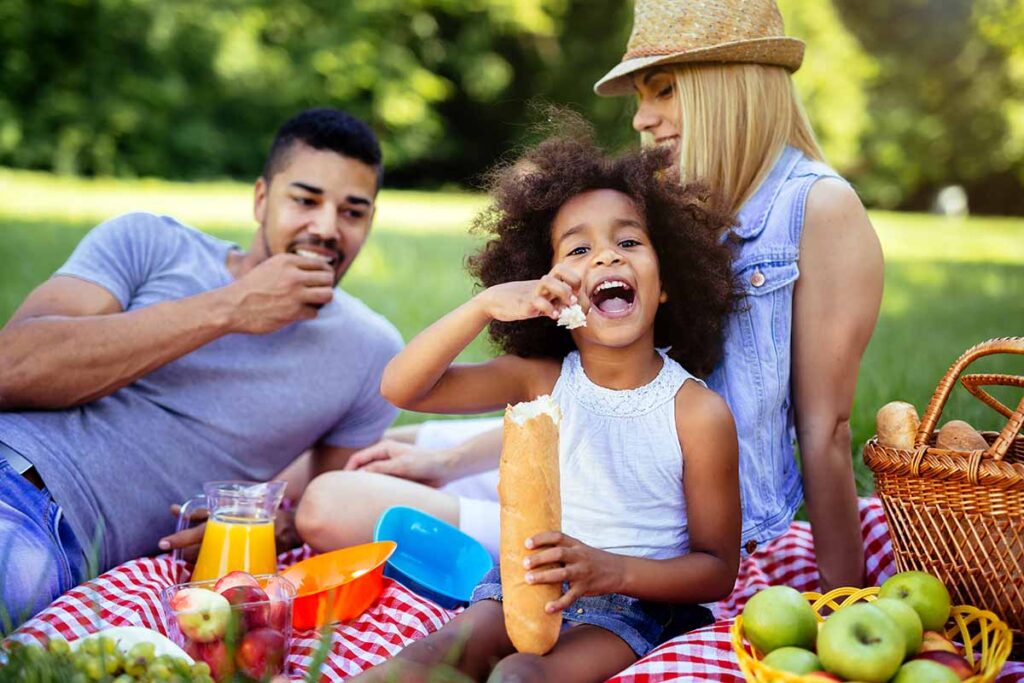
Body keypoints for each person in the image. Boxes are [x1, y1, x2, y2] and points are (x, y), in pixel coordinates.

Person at [300, 0, 883, 594]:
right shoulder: (678, 195)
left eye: (662, 91)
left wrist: (843, 597)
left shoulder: (817, 208)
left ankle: (512, 562)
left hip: (632, 525)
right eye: (639, 99)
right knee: (361, 451)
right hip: (579, 453)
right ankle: (242, 511)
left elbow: (826, 431)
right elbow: (602, 400)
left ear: (728, 85)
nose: (641, 120)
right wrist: (451, 462)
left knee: (329, 503)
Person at [350, 134, 741, 682]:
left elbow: (718, 570)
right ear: (550, 286)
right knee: (419, 662)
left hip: (637, 607)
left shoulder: (697, 412)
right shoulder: (540, 380)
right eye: (578, 250)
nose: (606, 254)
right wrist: (485, 306)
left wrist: (611, 570)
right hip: (527, 584)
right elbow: (402, 388)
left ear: (668, 283)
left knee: (519, 676)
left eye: (629, 242)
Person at [0, 108, 402, 625]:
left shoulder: (371, 354)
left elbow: (321, 505)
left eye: (352, 212)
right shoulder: (150, 243)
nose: (325, 228)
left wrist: (272, 524)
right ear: (261, 199)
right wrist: (232, 308)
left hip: (55, 537)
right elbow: (11, 369)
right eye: (304, 200)